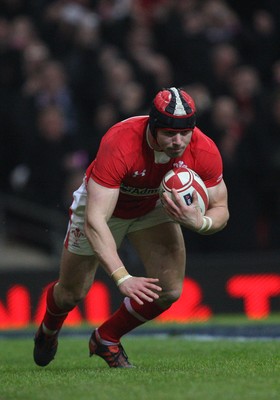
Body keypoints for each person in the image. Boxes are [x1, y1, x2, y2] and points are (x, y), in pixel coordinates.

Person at [33, 87, 229, 368]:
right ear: (152, 125)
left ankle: (106, 338)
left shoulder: (203, 147)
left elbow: (221, 207)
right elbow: (95, 219)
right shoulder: (121, 141)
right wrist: (122, 277)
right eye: (170, 134)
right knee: (72, 293)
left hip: (152, 206)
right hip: (105, 209)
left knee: (170, 290)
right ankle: (48, 331)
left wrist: (201, 223)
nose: (178, 141)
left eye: (184, 133)